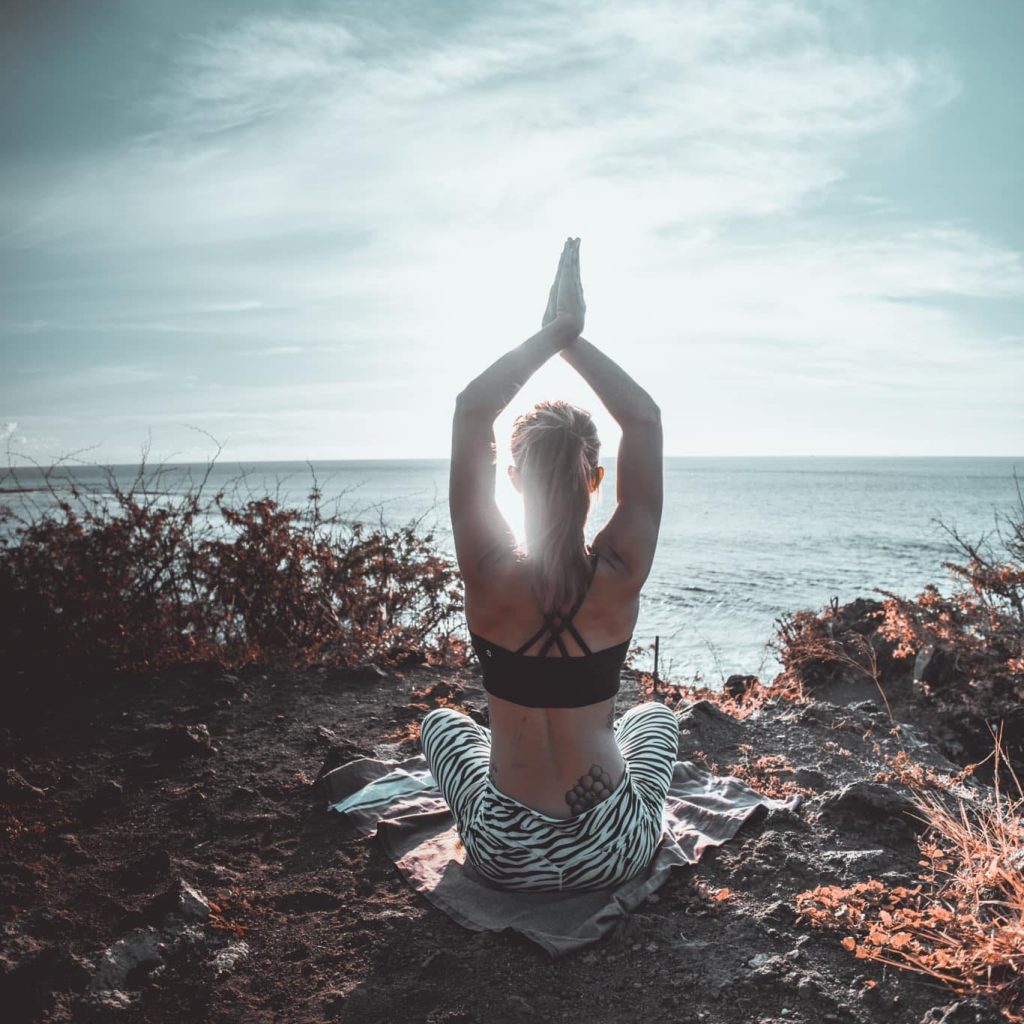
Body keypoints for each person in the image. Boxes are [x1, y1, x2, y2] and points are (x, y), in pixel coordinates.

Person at [420, 237, 679, 892]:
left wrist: (549, 336)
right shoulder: (619, 570)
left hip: (505, 853)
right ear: (595, 480)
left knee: (442, 726)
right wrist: (574, 340)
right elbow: (643, 419)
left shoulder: (487, 568)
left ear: (511, 478)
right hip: (613, 848)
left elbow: (472, 408)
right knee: (652, 719)